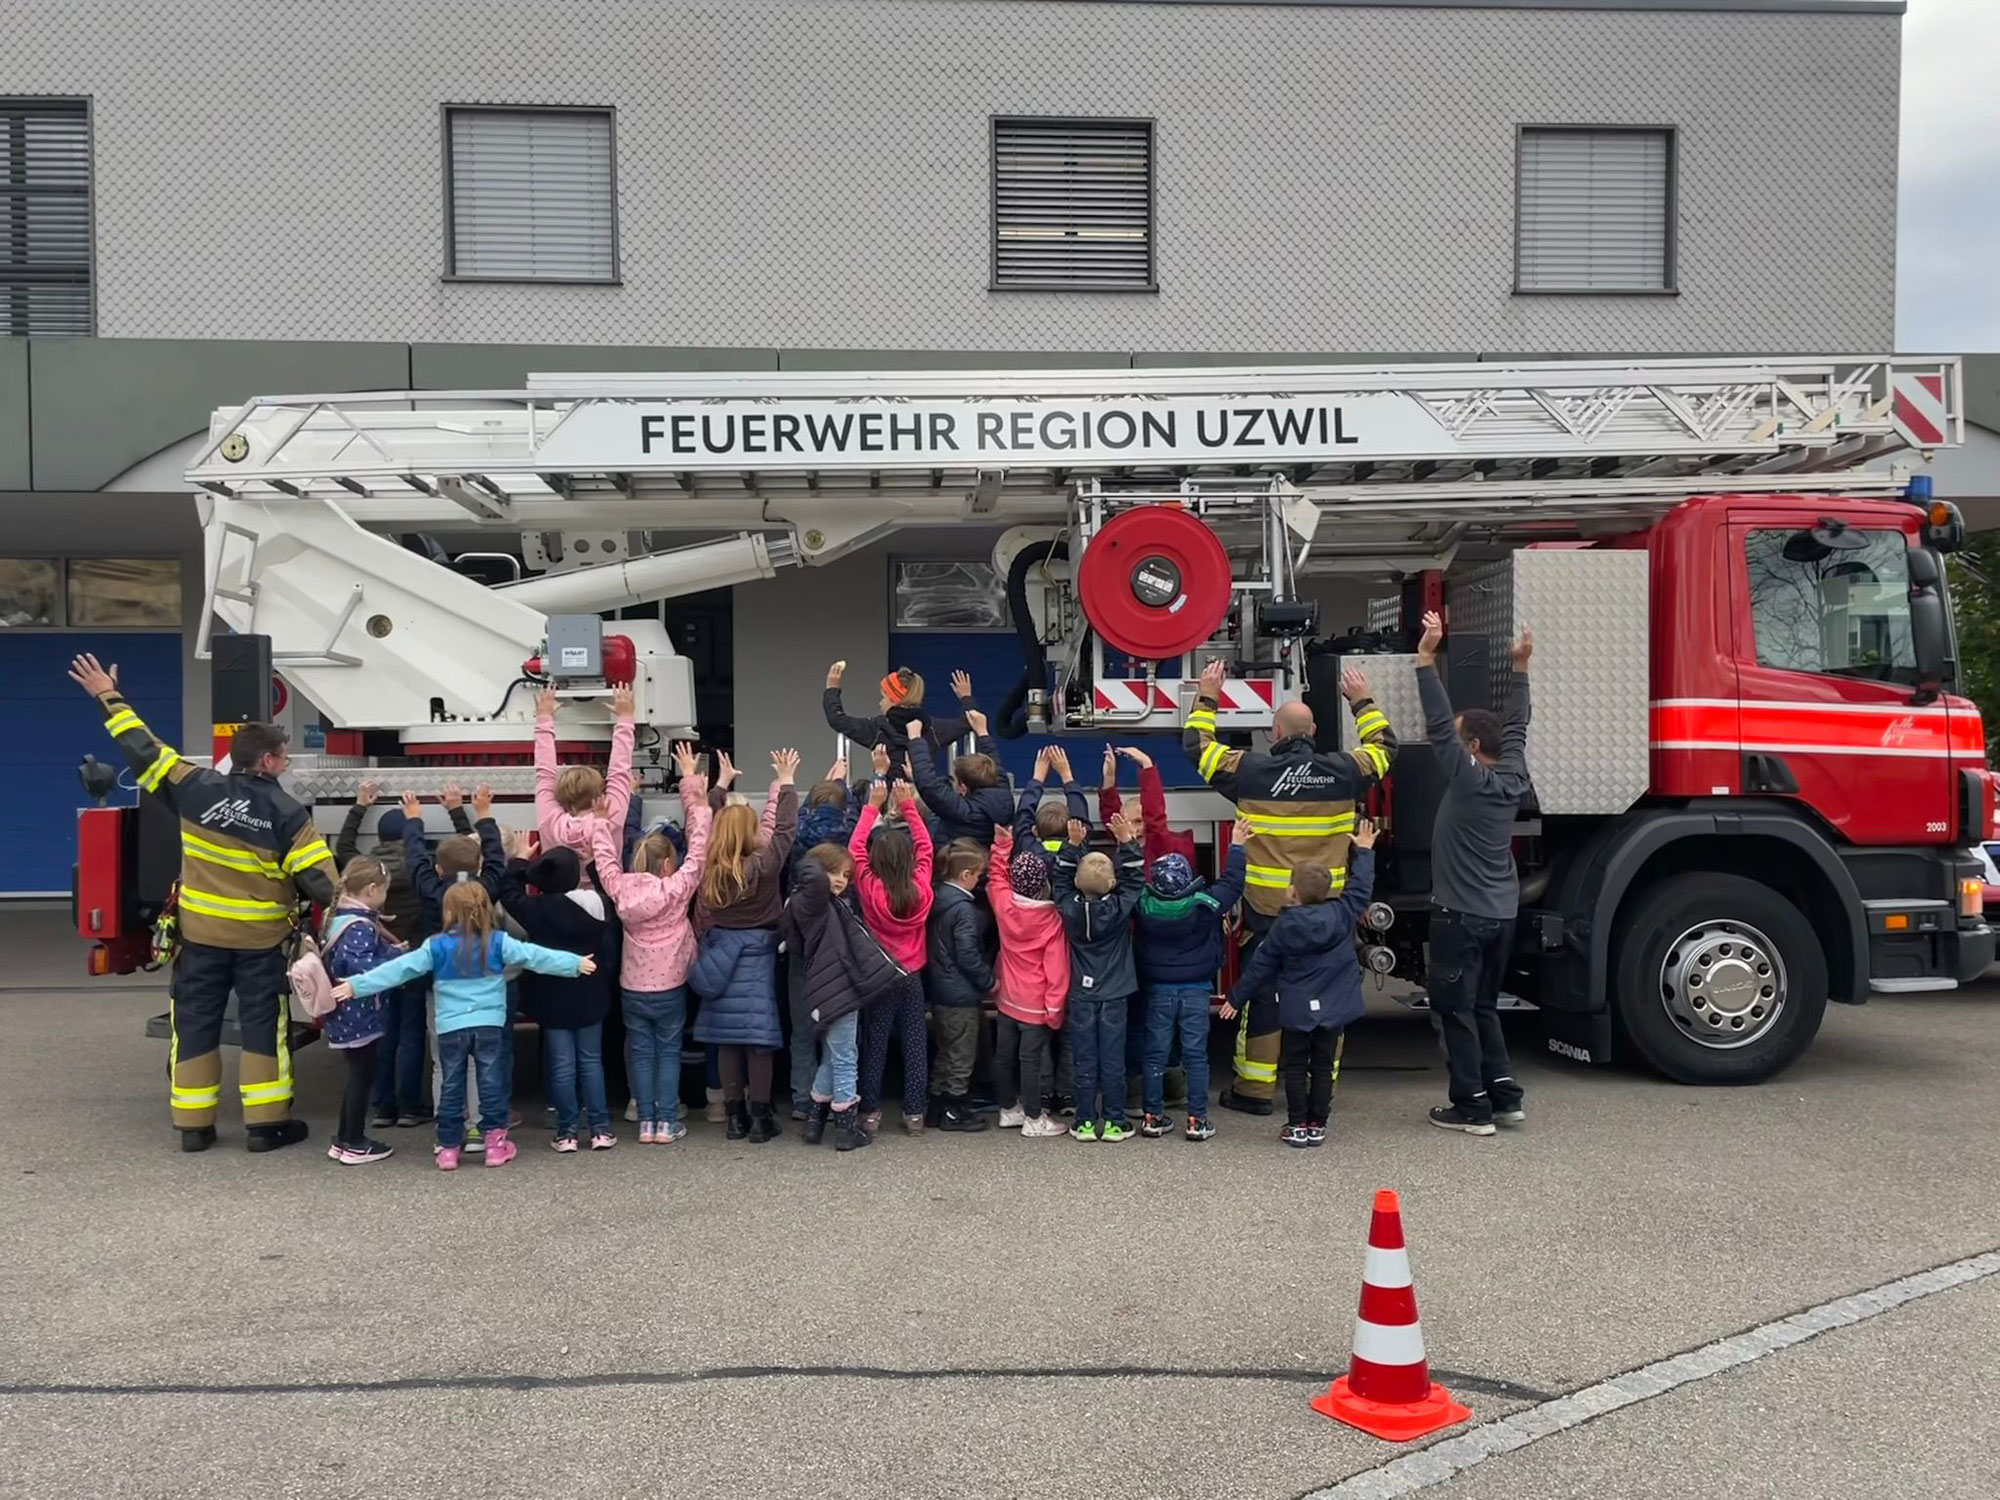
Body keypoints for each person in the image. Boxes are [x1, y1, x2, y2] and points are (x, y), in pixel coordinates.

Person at [69, 652, 335, 1154]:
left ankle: (193, 1128)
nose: (287, 762)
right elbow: (321, 880)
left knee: (193, 1024)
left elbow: (142, 749)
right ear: (269, 761)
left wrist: (109, 695)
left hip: (200, 938)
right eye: (284, 755)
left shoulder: (194, 787)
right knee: (262, 1027)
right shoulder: (287, 811)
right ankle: (266, 1126)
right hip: (259, 945)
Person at [1183, 657, 1396, 1117]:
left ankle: (1255, 1092)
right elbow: (1385, 747)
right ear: (1314, 730)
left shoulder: (1252, 772)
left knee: (1266, 997)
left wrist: (1208, 694)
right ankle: (1324, 1093)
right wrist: (1362, 701)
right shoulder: (1345, 772)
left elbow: (1196, 747)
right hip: (1331, 914)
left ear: (1275, 734)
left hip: (1268, 913)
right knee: (1330, 996)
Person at [330, 883, 592, 1169]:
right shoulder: (499, 941)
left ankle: (448, 1149)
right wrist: (573, 964)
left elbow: (399, 968)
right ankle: (494, 1146)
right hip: (489, 1024)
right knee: (491, 1085)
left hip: (450, 1028)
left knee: (451, 1086)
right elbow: (535, 957)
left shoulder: (436, 945)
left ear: (449, 912)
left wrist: (357, 986)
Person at [1415, 610, 1534, 1137]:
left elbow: (1440, 725)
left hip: (1459, 918)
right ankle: (1505, 1097)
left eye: (1459, 738)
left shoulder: (1468, 780)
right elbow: (1518, 726)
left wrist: (1425, 660)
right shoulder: (1511, 774)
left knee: (1454, 1011)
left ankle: (1472, 1107)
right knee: (1484, 1006)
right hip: (1501, 916)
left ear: (1468, 750)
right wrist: (1521, 669)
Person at [1223, 820, 1379, 1148]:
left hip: (1296, 1009)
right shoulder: (1342, 913)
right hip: (1333, 1008)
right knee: (1322, 1067)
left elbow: (1261, 966)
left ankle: (1296, 1125)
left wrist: (1235, 998)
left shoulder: (1283, 927)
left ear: (1291, 891)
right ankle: (1317, 1125)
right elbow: (1361, 887)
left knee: (1295, 1065)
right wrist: (1364, 851)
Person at [591, 744, 711, 1145]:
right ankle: (665, 1121)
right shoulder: (676, 888)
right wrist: (690, 781)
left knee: (641, 1051)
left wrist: (603, 821)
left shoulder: (620, 890)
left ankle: (644, 1122)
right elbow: (700, 842)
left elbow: (605, 858)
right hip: (671, 986)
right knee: (669, 1050)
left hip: (632, 988)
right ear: (665, 865)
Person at [690, 750, 800, 1142]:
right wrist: (786, 781)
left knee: (727, 1041)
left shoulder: (708, 866)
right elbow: (785, 830)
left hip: (719, 953)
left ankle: (734, 1117)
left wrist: (719, 787)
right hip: (759, 953)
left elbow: (709, 824)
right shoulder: (764, 865)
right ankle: (760, 1118)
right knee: (759, 1041)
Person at [333, 779, 445, 1129]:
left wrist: (360, 806)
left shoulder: (363, 868)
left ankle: (383, 1106)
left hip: (374, 963)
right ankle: (411, 1106)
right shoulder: (419, 865)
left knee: (384, 1033)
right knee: (412, 1032)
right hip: (410, 961)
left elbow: (343, 845)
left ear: (379, 838)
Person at [785, 844, 908, 1152]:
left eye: (846, 875)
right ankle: (845, 1127)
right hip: (836, 987)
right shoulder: (813, 900)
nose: (841, 880)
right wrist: (816, 867)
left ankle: (815, 1122)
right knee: (845, 1057)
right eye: (835, 872)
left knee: (832, 1054)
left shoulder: (813, 902)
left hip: (827, 986)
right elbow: (811, 874)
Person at [498, 841, 619, 1153]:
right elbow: (614, 887)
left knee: (562, 1065)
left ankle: (566, 1132)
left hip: (553, 996)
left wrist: (522, 862)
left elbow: (508, 891)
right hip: (591, 992)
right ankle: (600, 1128)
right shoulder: (600, 905)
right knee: (591, 1061)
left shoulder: (537, 910)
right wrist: (593, 863)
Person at [1134, 823, 1249, 1141]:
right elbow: (1232, 884)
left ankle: (1152, 1117)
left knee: (1155, 1053)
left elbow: (1128, 883)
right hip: (1197, 989)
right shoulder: (1205, 906)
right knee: (1195, 1055)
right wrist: (1237, 845)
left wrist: (1128, 845)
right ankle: (1197, 1120)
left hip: (1158, 989)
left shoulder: (1142, 907)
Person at [1052, 810, 1145, 1143]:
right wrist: (1127, 843)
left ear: (1079, 883)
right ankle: (1116, 1122)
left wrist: (1072, 846)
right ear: (1112, 882)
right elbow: (1136, 881)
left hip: (1081, 993)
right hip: (1115, 993)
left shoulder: (1068, 906)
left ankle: (1086, 1122)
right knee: (1113, 1059)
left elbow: (1060, 879)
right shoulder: (1120, 908)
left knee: (1084, 1059)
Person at [851, 781, 935, 1135]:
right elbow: (927, 847)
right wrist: (910, 806)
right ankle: (914, 1114)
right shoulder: (920, 885)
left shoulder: (870, 886)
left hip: (880, 974)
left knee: (876, 1042)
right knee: (916, 1044)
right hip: (912, 974)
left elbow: (855, 848)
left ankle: (870, 1112)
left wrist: (872, 806)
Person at [317, 856, 406, 1165]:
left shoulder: (336, 914)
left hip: (343, 1012)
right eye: (385, 891)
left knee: (357, 1073)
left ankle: (343, 1138)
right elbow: (361, 966)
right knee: (361, 1075)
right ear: (371, 889)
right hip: (358, 1012)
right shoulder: (359, 926)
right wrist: (395, 957)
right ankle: (354, 1141)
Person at [987, 827, 1069, 1138]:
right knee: (1031, 1061)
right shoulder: (1051, 921)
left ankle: (1009, 1108)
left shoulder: (1003, 904)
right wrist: (1055, 1009)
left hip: (1007, 998)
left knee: (1004, 1056)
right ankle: (1035, 1118)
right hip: (1036, 1006)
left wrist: (1002, 845)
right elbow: (1057, 971)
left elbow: (996, 878)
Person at [925, 839, 993, 1131]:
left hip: (940, 988)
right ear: (966, 876)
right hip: (960, 993)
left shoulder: (937, 899)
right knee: (962, 1055)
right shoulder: (963, 910)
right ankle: (955, 1108)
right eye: (978, 875)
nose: (979, 881)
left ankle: (937, 1104)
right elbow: (967, 954)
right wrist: (988, 980)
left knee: (945, 1051)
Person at [822, 661, 973, 781]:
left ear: (894, 700)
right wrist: (966, 697)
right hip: (923, 802)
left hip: (886, 803)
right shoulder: (932, 728)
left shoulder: (877, 728)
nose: (880, 702)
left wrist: (832, 689)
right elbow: (970, 721)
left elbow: (837, 719)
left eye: (883, 697)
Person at [535, 683, 637, 854]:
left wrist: (544, 718)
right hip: (604, 882)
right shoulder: (611, 818)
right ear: (600, 794)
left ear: (559, 796)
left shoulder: (550, 821)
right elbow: (620, 772)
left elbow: (544, 774)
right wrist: (625, 718)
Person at [906, 711, 1014, 849]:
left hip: (958, 866)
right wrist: (983, 732)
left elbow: (929, 785)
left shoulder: (963, 812)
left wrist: (915, 739)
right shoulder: (1005, 798)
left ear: (963, 787)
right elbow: (997, 767)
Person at [1013, 745, 1091, 854]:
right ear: (1073, 829)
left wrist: (1038, 778)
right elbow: (1080, 818)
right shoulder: (1077, 851)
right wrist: (1066, 775)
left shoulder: (1029, 852)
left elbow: (1023, 817)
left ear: (1035, 830)